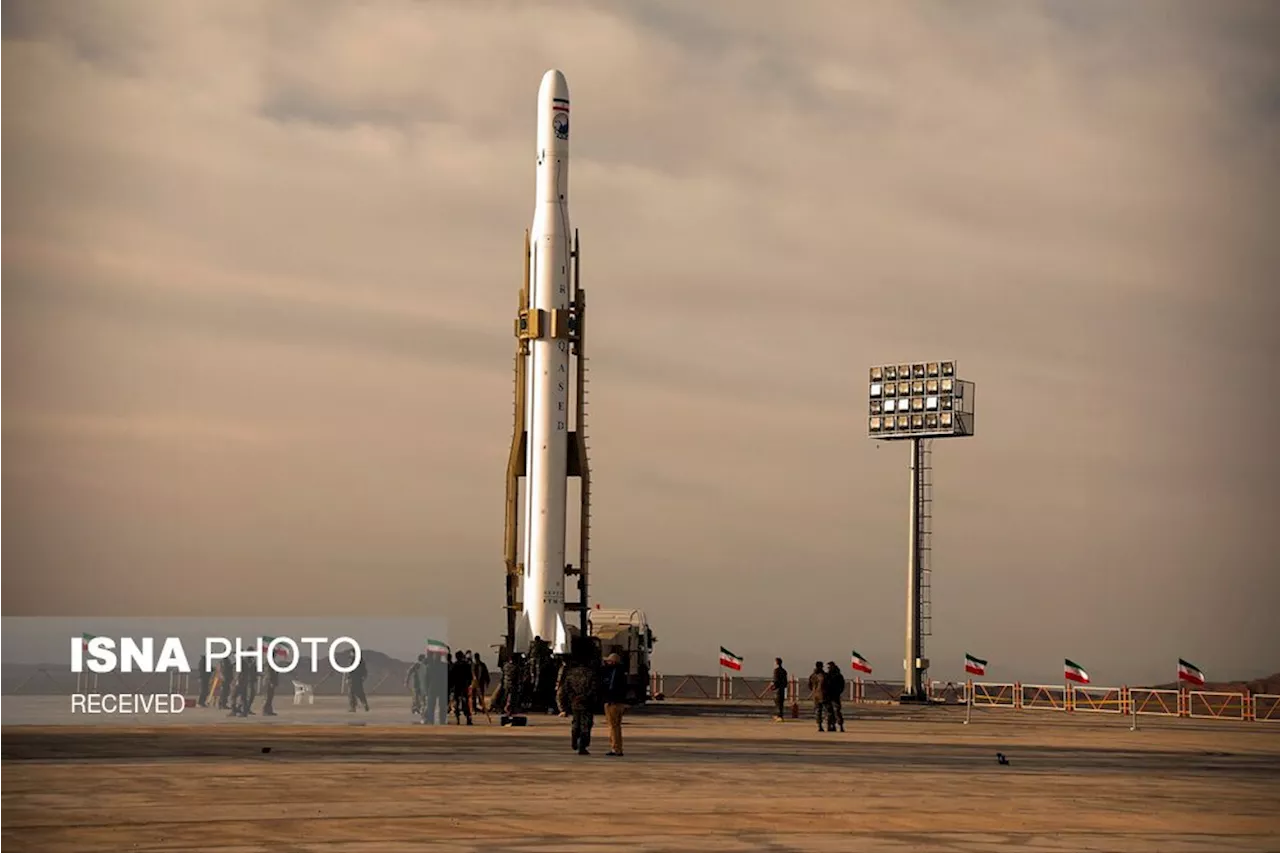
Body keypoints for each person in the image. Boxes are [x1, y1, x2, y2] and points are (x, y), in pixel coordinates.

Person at [556, 639, 599, 755]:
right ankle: (582, 745)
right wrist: (585, 697)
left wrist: (571, 699)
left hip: (575, 702)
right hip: (587, 702)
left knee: (576, 723)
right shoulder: (590, 673)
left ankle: (574, 740)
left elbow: (566, 689)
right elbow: (594, 688)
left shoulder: (571, 673)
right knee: (586, 724)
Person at [600, 653, 629, 756]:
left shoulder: (613, 672)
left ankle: (616, 748)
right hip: (619, 702)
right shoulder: (622, 672)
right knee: (616, 726)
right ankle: (616, 747)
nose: (606, 663)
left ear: (612, 662)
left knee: (613, 726)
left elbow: (610, 687)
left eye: (608, 661)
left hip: (613, 702)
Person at [450, 650, 473, 725]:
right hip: (464, 686)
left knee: (457, 702)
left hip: (457, 687)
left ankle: (458, 719)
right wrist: (469, 684)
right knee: (465, 702)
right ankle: (468, 718)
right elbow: (470, 676)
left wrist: (451, 686)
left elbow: (451, 677)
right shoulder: (466, 665)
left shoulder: (454, 665)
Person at [823, 662, 846, 732]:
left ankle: (839, 725)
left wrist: (837, 692)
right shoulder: (827, 676)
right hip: (829, 696)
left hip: (834, 695)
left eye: (829, 667)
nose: (829, 669)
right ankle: (831, 725)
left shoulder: (838, 676)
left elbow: (842, 686)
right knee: (830, 711)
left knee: (836, 711)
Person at [471, 652, 491, 716]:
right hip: (474, 684)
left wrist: (487, 682)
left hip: (480, 683)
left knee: (481, 696)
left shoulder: (482, 665)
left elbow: (486, 673)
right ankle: (474, 709)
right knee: (473, 697)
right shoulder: (472, 665)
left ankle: (482, 708)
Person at [808, 661, 827, 732]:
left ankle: (819, 725)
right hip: (823, 695)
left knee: (818, 710)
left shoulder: (812, 675)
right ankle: (828, 725)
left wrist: (814, 690)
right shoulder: (824, 675)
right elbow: (827, 684)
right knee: (826, 710)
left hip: (815, 695)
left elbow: (809, 685)